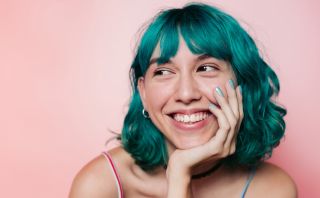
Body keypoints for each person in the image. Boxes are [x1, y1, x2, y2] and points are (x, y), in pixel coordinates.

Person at [69, 3, 297, 197]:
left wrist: (180, 172)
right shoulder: (100, 185)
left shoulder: (272, 189)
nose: (186, 94)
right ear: (144, 93)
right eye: (164, 72)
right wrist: (179, 178)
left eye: (206, 68)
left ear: (241, 84)